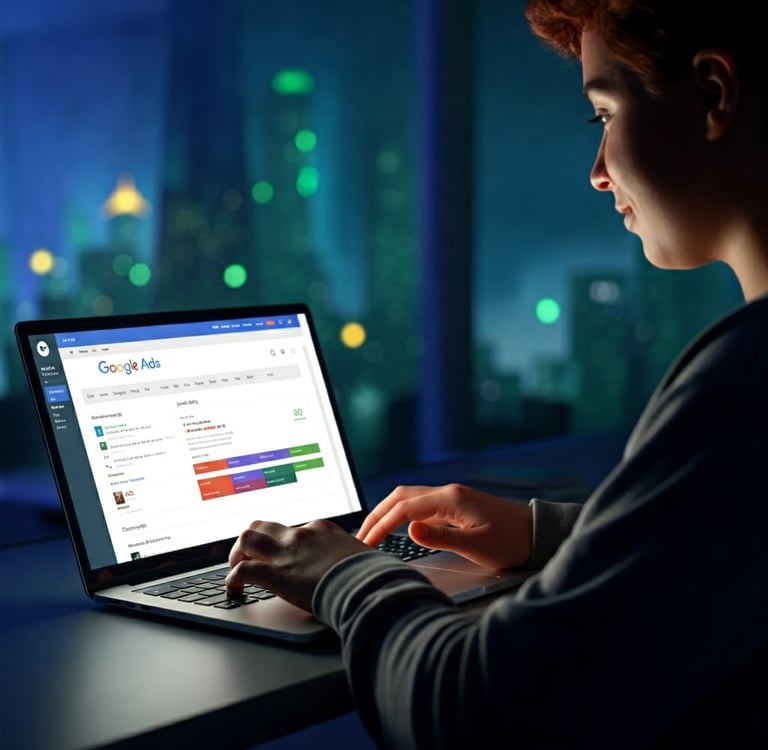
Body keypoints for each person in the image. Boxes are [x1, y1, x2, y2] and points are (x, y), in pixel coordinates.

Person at [226, 2, 768, 746]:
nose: (598, 173)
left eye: (602, 113)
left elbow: (474, 713)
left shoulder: (746, 381)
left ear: (712, 95)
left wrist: (342, 576)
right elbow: (723, 541)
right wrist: (547, 535)